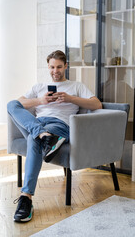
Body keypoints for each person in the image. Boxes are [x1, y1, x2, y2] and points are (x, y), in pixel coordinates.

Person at [7, 50, 102, 223]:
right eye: (52, 67)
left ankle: (26, 197)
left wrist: (71, 99)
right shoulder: (39, 87)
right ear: (48, 67)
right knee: (11, 104)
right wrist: (40, 101)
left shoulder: (76, 86)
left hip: (59, 125)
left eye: (59, 67)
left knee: (32, 139)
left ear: (66, 66)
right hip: (38, 123)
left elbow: (97, 104)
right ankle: (43, 135)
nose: (55, 71)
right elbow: (18, 104)